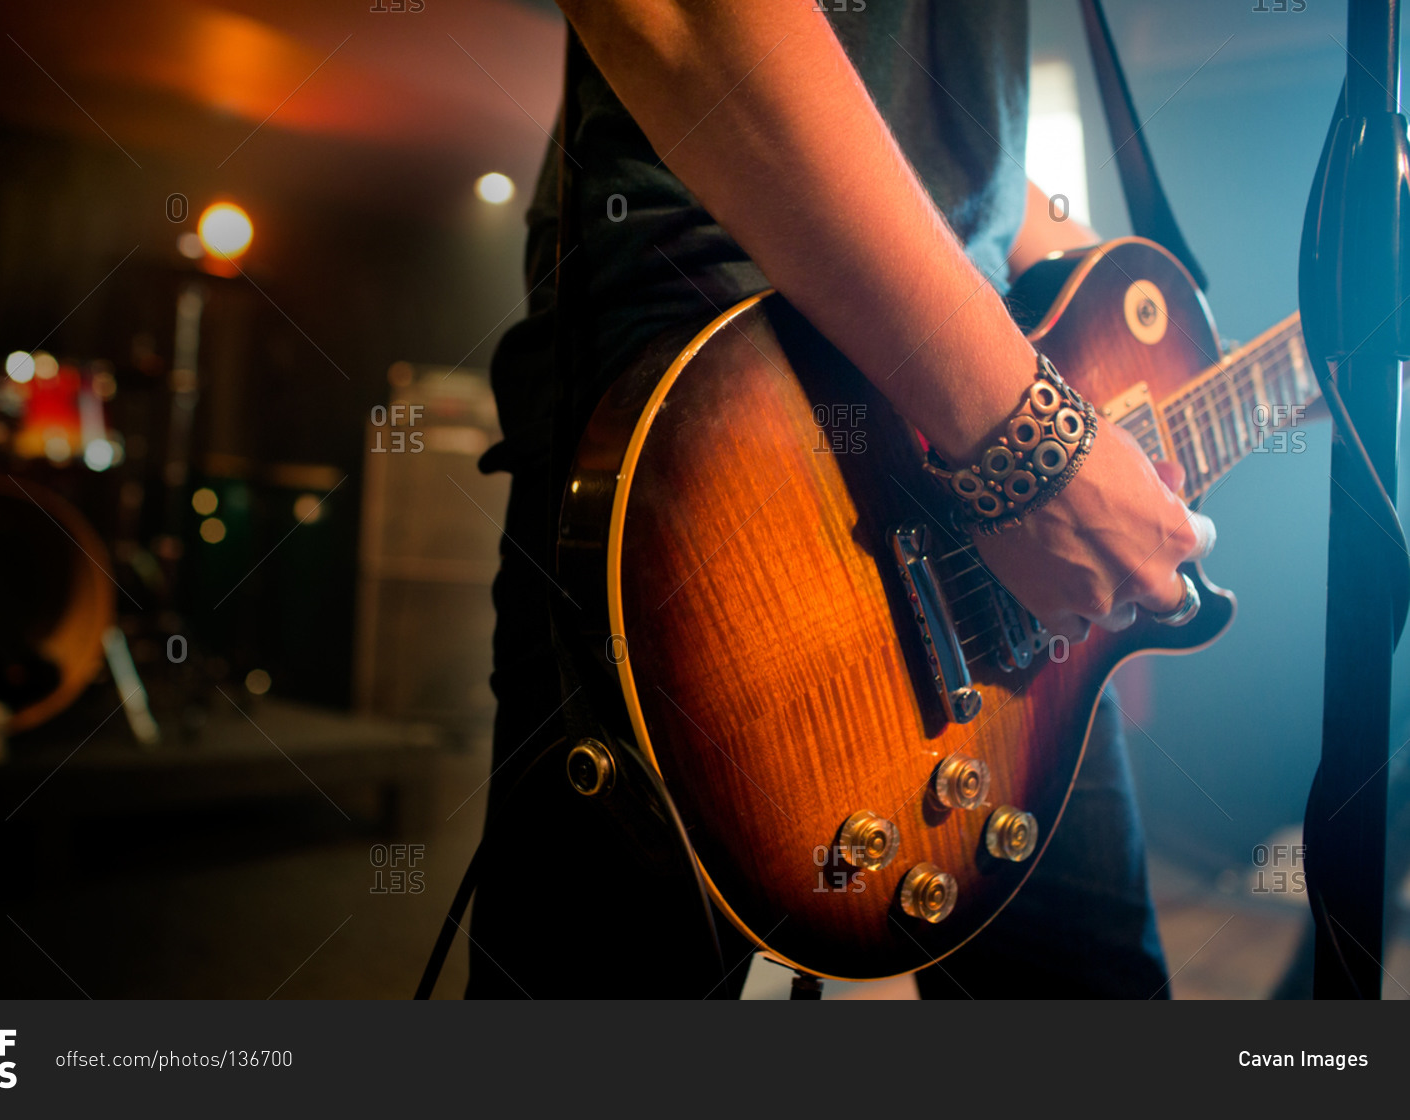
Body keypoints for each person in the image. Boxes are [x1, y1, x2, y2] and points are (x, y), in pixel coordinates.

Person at [468, 0, 1210, 998]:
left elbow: (948, 162)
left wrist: (1115, 341)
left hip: (970, 495)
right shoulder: (1016, 439)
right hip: (723, 423)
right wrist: (1033, 445)